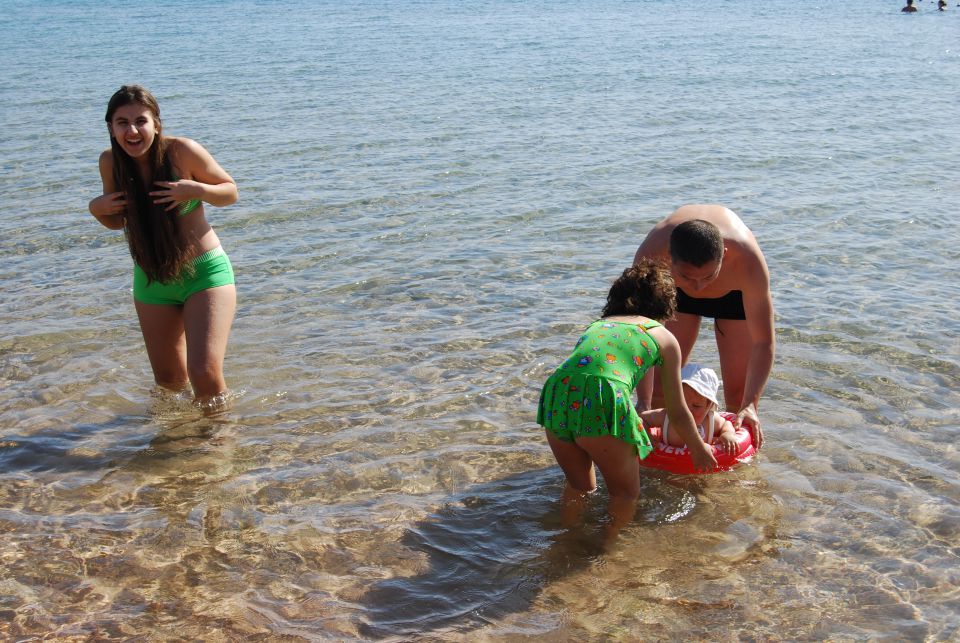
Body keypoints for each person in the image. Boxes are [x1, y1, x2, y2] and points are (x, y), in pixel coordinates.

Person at [537, 260, 718, 536]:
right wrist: (697, 447)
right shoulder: (663, 337)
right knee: (625, 494)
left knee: (580, 486)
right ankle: (606, 555)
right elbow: (677, 409)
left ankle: (567, 538)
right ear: (666, 307)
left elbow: (592, 370)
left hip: (556, 394)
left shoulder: (599, 325)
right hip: (603, 394)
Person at [88, 85, 238, 409]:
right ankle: (176, 449)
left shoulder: (182, 152)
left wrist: (194, 189)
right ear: (111, 128)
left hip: (204, 274)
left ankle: (219, 449)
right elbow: (118, 222)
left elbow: (230, 191)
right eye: (122, 122)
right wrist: (97, 209)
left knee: (204, 373)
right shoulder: (110, 163)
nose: (132, 130)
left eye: (140, 120)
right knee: (169, 383)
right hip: (151, 281)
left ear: (156, 123)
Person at [632, 204, 773, 449]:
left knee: (739, 399)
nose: (699, 288)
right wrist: (643, 402)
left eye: (707, 277)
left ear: (725, 254)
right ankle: (655, 471)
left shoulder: (748, 261)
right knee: (658, 393)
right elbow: (642, 333)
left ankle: (733, 481)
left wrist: (751, 403)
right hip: (675, 292)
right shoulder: (651, 254)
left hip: (733, 294)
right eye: (689, 277)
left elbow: (764, 342)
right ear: (668, 256)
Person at [639, 363, 738, 455]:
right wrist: (645, 435)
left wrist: (727, 434)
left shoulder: (711, 420)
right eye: (682, 403)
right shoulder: (666, 416)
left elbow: (726, 423)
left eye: (696, 406)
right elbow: (641, 418)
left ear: (709, 406)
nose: (687, 410)